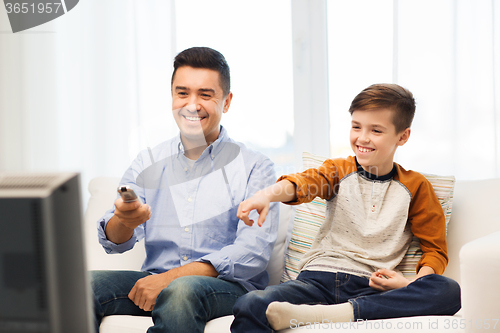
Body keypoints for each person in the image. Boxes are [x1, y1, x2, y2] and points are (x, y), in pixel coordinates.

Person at [231, 83, 461, 333]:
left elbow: (435, 250)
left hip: (372, 287)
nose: (362, 138)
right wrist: (267, 195)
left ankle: (333, 314)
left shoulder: (416, 187)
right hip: (317, 280)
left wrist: (409, 283)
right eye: (356, 126)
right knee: (250, 303)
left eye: (376, 130)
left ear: (402, 136)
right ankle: (343, 312)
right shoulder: (339, 170)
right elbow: (305, 183)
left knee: (448, 291)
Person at [91, 47, 279, 333]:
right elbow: (114, 238)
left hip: (225, 289)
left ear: (226, 102)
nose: (192, 105)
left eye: (205, 95)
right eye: (182, 93)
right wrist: (124, 221)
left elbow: (252, 252)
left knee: (181, 291)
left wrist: (171, 278)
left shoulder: (255, 166)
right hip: (155, 280)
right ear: (172, 98)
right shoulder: (148, 161)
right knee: (85, 288)